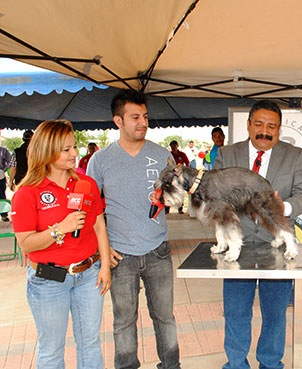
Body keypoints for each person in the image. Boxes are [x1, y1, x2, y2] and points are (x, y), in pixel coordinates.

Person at [213, 100, 302, 369]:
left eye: (272, 126)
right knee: (235, 313)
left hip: (276, 247)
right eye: (258, 124)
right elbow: (215, 194)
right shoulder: (226, 154)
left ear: (279, 129)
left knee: (275, 315)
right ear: (248, 125)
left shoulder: (294, 155)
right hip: (238, 246)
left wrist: (284, 207)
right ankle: (235, 364)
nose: (264, 131)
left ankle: (270, 364)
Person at [87, 89, 181, 369]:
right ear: (118, 121)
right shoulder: (100, 160)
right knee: (124, 321)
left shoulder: (163, 155)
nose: (142, 122)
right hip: (120, 256)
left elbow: (175, 198)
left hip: (158, 251)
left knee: (165, 317)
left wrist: (170, 195)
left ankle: (171, 365)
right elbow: (91, 211)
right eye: (135, 117)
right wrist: (104, 250)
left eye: (145, 116)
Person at [11, 119, 111, 369]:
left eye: (74, 147)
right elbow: (26, 245)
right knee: (52, 350)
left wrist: (106, 266)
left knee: (89, 343)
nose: (74, 153)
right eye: (66, 149)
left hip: (89, 276)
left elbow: (99, 225)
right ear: (47, 151)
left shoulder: (85, 183)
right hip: (48, 281)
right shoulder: (27, 193)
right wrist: (61, 228)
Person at [0, 145, 11, 221]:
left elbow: (10, 161)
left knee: (1, 194)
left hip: (0, 174)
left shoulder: (3, 150)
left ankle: (4, 214)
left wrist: (4, 169)